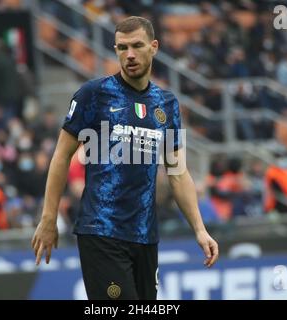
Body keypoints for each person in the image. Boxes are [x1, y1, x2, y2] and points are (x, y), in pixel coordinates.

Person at [32, 16, 219, 300]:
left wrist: (200, 229)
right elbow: (61, 155)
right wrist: (49, 218)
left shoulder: (166, 105)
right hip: (101, 231)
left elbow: (178, 172)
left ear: (154, 47)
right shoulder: (94, 95)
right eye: (121, 48)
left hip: (145, 235)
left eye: (136, 46)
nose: (129, 55)